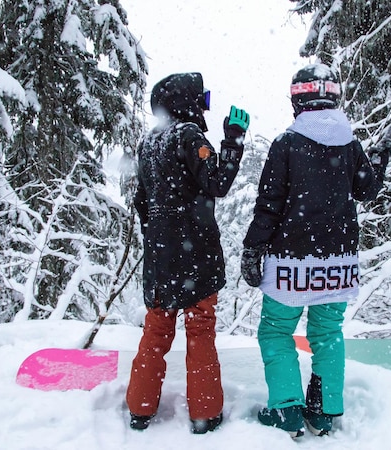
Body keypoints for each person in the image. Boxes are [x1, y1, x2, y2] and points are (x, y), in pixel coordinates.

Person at [241, 63, 391, 437]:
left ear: (298, 100)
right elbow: (367, 190)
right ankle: (324, 410)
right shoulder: (350, 145)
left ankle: (287, 409)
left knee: (275, 332)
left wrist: (253, 249)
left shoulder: (286, 144)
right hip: (338, 262)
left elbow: (269, 204)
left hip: (290, 263)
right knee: (328, 333)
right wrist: (379, 156)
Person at [126, 72, 249, 434]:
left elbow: (141, 203)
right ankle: (204, 414)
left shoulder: (148, 144)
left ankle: (140, 410)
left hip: (161, 255)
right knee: (200, 331)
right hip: (196, 254)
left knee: (156, 331)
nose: (204, 105)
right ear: (186, 102)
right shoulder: (188, 136)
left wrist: (159, 241)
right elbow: (218, 182)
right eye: (202, 98)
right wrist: (233, 139)